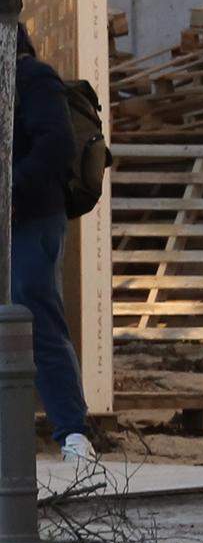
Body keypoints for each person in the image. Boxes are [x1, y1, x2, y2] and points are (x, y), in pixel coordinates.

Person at [12, 23, 96, 462]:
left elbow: (57, 144)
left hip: (31, 216)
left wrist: (10, 188)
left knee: (36, 315)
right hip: (24, 213)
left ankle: (72, 432)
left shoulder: (32, 78)